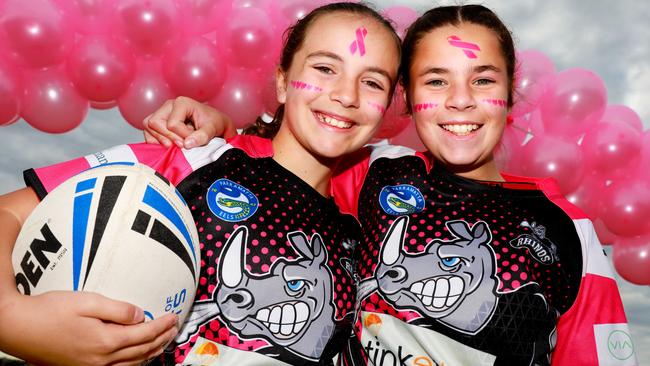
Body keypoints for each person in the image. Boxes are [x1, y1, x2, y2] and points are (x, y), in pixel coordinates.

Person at [144, 5, 635, 365]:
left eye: (483, 80)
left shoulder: (570, 230)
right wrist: (220, 128)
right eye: (436, 81)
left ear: (510, 91)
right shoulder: (374, 173)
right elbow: (284, 161)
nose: (460, 101)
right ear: (408, 96)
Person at [0, 2, 401, 365]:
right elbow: (7, 213)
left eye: (373, 82)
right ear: (282, 81)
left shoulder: (372, 212)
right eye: (325, 68)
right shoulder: (191, 156)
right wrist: (14, 321)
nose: (347, 94)